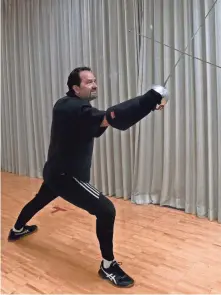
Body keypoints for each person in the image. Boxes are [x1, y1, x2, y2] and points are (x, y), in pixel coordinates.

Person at [7, 66, 169, 288]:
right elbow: (113, 117)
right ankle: (108, 266)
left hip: (55, 171)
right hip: (66, 176)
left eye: (95, 81)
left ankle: (17, 230)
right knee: (106, 210)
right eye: (88, 82)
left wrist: (146, 108)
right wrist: (148, 100)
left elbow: (100, 123)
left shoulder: (71, 105)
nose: (94, 85)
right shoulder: (71, 107)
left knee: (40, 200)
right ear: (75, 87)